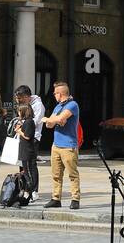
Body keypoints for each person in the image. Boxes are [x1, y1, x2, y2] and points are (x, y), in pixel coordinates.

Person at [42, 81, 81, 209]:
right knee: (56, 174)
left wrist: (48, 119)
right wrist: (53, 120)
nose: (54, 95)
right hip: (56, 145)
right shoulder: (58, 107)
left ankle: (75, 199)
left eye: (55, 93)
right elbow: (49, 125)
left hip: (69, 146)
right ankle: (55, 198)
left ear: (60, 94)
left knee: (72, 174)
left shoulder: (72, 105)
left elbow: (56, 120)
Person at [6, 84, 44, 204]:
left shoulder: (38, 105)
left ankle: (33, 191)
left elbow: (35, 121)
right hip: (22, 137)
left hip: (33, 138)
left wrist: (21, 122)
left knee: (31, 165)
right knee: (23, 165)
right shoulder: (25, 105)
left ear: (27, 97)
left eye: (20, 99)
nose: (18, 101)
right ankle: (25, 188)